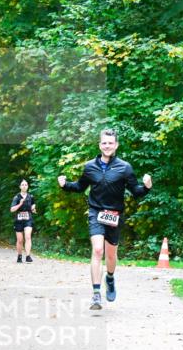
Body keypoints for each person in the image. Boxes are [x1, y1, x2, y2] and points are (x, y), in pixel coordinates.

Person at [58, 128, 152, 310]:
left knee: (111, 254)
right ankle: (95, 294)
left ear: (116, 145)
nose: (107, 146)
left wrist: (147, 187)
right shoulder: (89, 166)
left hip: (114, 215)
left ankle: (110, 277)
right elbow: (79, 187)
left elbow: (136, 191)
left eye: (110, 143)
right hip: (95, 212)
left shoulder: (125, 168)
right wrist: (65, 185)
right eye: (104, 143)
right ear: (99, 145)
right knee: (98, 250)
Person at [10, 179, 37, 263]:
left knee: (28, 236)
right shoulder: (16, 197)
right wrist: (20, 204)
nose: (24, 186)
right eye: (22, 185)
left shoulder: (31, 196)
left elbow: (33, 205)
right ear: (20, 187)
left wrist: (33, 209)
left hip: (28, 219)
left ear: (28, 186)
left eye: (26, 184)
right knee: (20, 240)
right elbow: (12, 210)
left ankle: (28, 256)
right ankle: (19, 255)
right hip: (18, 220)